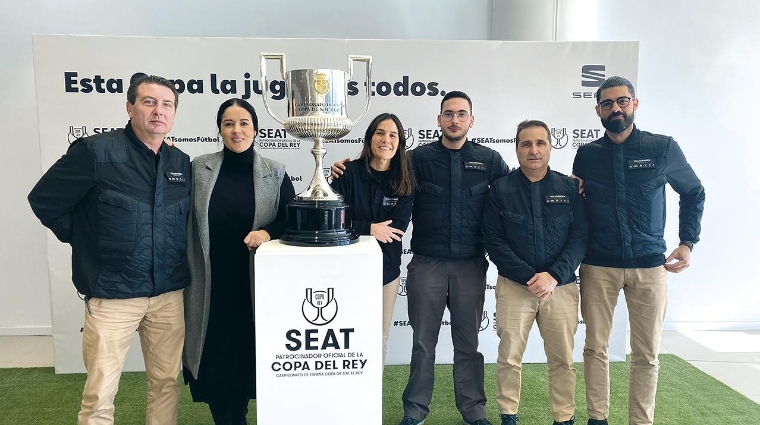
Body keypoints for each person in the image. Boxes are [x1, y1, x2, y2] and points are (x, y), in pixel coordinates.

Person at [334, 91, 509, 425]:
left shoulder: (490, 160)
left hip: (471, 265)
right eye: (448, 113)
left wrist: (565, 184)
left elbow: (514, 192)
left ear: (471, 120)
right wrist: (345, 169)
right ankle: (414, 412)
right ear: (438, 119)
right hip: (427, 263)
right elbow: (381, 170)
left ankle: (474, 412)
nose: (454, 119)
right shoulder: (416, 159)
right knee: (422, 343)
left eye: (461, 114)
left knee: (469, 345)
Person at [28, 74, 190, 425]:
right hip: (112, 294)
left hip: (168, 294)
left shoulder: (180, 163)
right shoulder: (95, 152)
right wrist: (85, 239)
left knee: (166, 383)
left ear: (174, 114)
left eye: (167, 104)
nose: (158, 111)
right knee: (101, 392)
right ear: (130, 107)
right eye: (148, 102)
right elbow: (44, 200)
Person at [571, 76, 705, 425]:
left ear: (635, 104)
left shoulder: (662, 148)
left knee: (646, 355)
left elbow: (693, 192)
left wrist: (687, 242)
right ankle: (597, 418)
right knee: (595, 349)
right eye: (608, 103)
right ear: (598, 110)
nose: (616, 108)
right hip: (598, 266)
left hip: (650, 267)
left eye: (622, 101)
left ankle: (640, 422)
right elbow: (578, 208)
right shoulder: (586, 156)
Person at [182, 98, 296, 425]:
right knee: (216, 370)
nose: (236, 130)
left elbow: (292, 221)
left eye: (244, 123)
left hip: (254, 290)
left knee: (247, 368)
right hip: (210, 287)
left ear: (256, 129)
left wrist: (267, 232)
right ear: (219, 129)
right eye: (229, 123)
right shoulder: (198, 168)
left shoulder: (275, 172)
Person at [482, 120, 587, 425]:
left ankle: (564, 418)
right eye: (526, 144)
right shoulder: (500, 190)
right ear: (516, 148)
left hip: (561, 287)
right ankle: (508, 415)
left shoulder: (569, 188)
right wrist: (531, 276)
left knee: (563, 360)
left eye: (540, 143)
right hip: (515, 287)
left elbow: (579, 238)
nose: (534, 150)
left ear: (550, 147)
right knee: (510, 358)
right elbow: (494, 240)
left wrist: (553, 275)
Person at [329, 112, 415, 365]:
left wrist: (358, 227)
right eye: (380, 132)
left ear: (399, 143)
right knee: (346, 336)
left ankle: (370, 400)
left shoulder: (405, 181)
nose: (386, 139)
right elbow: (334, 222)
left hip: (385, 273)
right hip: (347, 270)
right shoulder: (347, 174)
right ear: (369, 138)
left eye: (393, 135)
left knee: (379, 337)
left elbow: (396, 229)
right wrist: (370, 228)